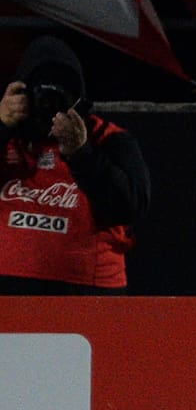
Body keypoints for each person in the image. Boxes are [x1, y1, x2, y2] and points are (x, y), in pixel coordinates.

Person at [0, 36, 149, 295]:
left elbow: (130, 208)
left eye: (60, 97)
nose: (50, 107)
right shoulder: (10, 136)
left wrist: (82, 154)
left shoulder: (109, 139)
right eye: (41, 95)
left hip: (89, 294)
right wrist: (1, 126)